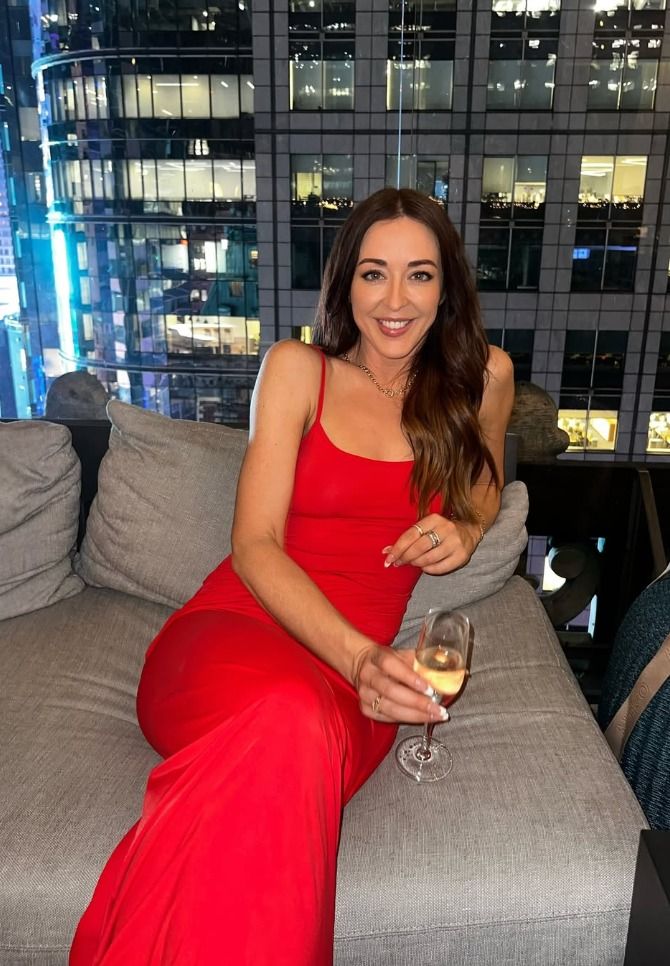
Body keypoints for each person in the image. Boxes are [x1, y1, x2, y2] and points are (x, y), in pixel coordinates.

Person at [69, 188, 514, 965]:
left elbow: (486, 480)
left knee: (298, 728)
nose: (396, 300)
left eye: (419, 274)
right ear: (346, 283)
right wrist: (360, 658)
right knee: (289, 714)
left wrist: (468, 529)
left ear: (447, 287)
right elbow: (255, 545)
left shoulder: (485, 378)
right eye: (374, 274)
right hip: (236, 639)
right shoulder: (296, 370)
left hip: (355, 690)